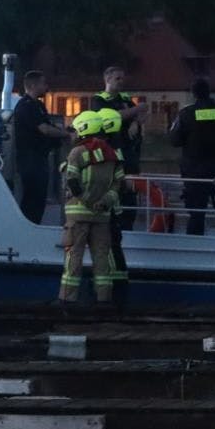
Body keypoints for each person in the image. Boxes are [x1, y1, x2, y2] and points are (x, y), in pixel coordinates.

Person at [58, 111, 122, 304]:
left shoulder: (78, 152)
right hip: (102, 216)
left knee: (73, 258)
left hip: (78, 216)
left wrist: (86, 200)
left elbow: (72, 182)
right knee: (102, 259)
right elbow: (117, 185)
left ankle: (67, 300)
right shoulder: (113, 154)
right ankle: (104, 299)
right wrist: (103, 203)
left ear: (83, 128)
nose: (75, 134)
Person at [167, 78, 215, 236]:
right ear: (209, 92)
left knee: (196, 213)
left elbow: (174, 140)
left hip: (195, 171)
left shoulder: (186, 114)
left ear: (193, 94)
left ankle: (195, 246)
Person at [11, 71, 70, 224]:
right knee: (32, 198)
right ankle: (28, 228)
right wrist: (65, 135)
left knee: (39, 198)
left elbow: (48, 126)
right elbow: (44, 129)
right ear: (32, 85)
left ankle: (34, 225)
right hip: (30, 161)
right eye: (43, 84)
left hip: (40, 159)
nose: (46, 87)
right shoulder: (26, 106)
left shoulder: (38, 105)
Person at [94, 106, 131, 305]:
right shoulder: (116, 150)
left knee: (109, 250)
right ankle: (119, 291)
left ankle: (113, 295)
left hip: (106, 211)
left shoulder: (103, 152)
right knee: (115, 249)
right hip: (115, 209)